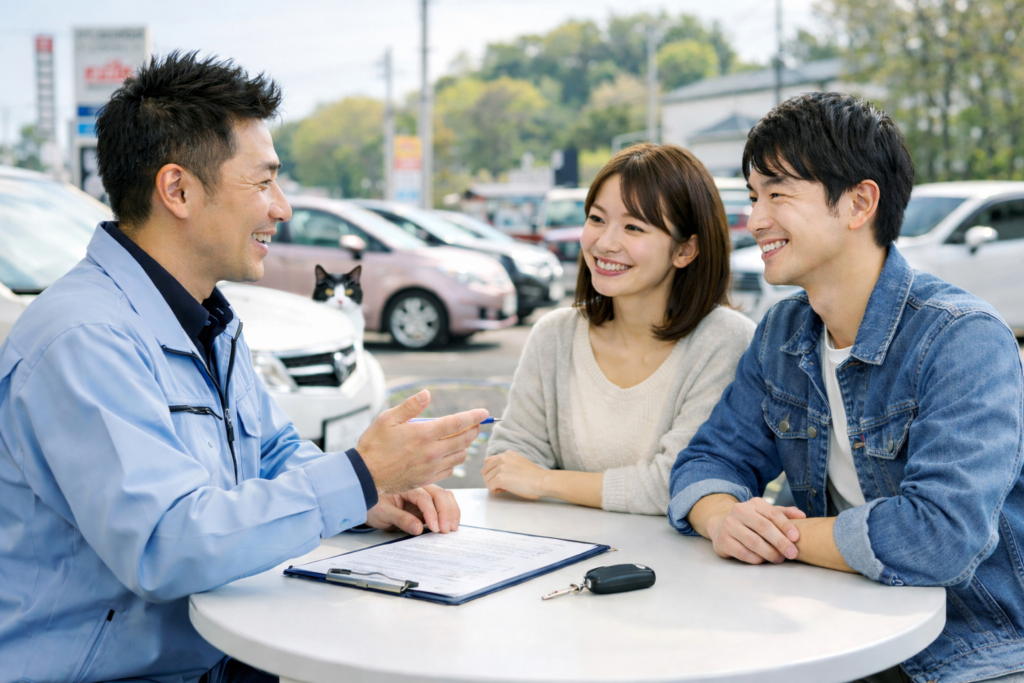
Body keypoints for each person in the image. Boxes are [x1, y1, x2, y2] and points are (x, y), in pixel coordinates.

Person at [0, 52, 488, 683]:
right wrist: (358, 475)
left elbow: (274, 450)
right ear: (177, 190)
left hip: (220, 652)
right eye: (262, 183)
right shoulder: (84, 340)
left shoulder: (200, 313)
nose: (281, 208)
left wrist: (370, 494)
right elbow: (164, 545)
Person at [668, 92, 1024, 683]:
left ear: (859, 203)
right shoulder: (783, 332)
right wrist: (722, 517)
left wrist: (783, 535)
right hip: (836, 623)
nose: (755, 220)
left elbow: (939, 537)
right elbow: (708, 458)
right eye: (754, 196)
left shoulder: (964, 340)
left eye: (778, 193)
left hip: (973, 648)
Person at [483, 144, 755, 514]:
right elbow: (508, 461)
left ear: (685, 250)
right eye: (596, 219)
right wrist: (526, 475)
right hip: (561, 556)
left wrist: (545, 481)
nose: (605, 243)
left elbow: (683, 482)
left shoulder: (724, 340)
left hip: (680, 567)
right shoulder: (555, 334)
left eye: (633, 226)